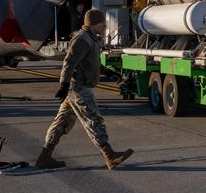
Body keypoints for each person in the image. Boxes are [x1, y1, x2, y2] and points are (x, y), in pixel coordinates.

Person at [36, 9, 133, 170]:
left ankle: (44, 157)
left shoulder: (90, 39)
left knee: (61, 123)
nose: (104, 26)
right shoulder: (82, 39)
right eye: (102, 23)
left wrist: (109, 72)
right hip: (79, 89)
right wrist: (64, 85)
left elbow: (90, 63)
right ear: (94, 23)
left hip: (76, 89)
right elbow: (69, 62)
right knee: (93, 120)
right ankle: (109, 155)